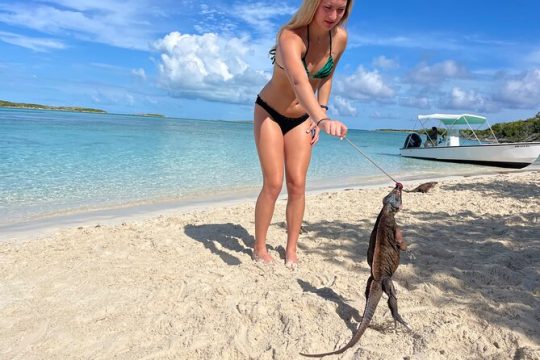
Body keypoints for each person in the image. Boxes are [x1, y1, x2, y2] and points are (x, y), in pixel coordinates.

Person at [253, 0, 354, 267]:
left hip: (302, 118)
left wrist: (319, 110)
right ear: (313, 5)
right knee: (274, 183)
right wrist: (323, 119)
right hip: (270, 112)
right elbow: (299, 82)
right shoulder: (290, 36)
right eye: (327, 7)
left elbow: (328, 77)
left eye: (340, 10)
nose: (334, 15)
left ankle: (291, 249)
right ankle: (259, 247)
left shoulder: (340, 39)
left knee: (297, 184)